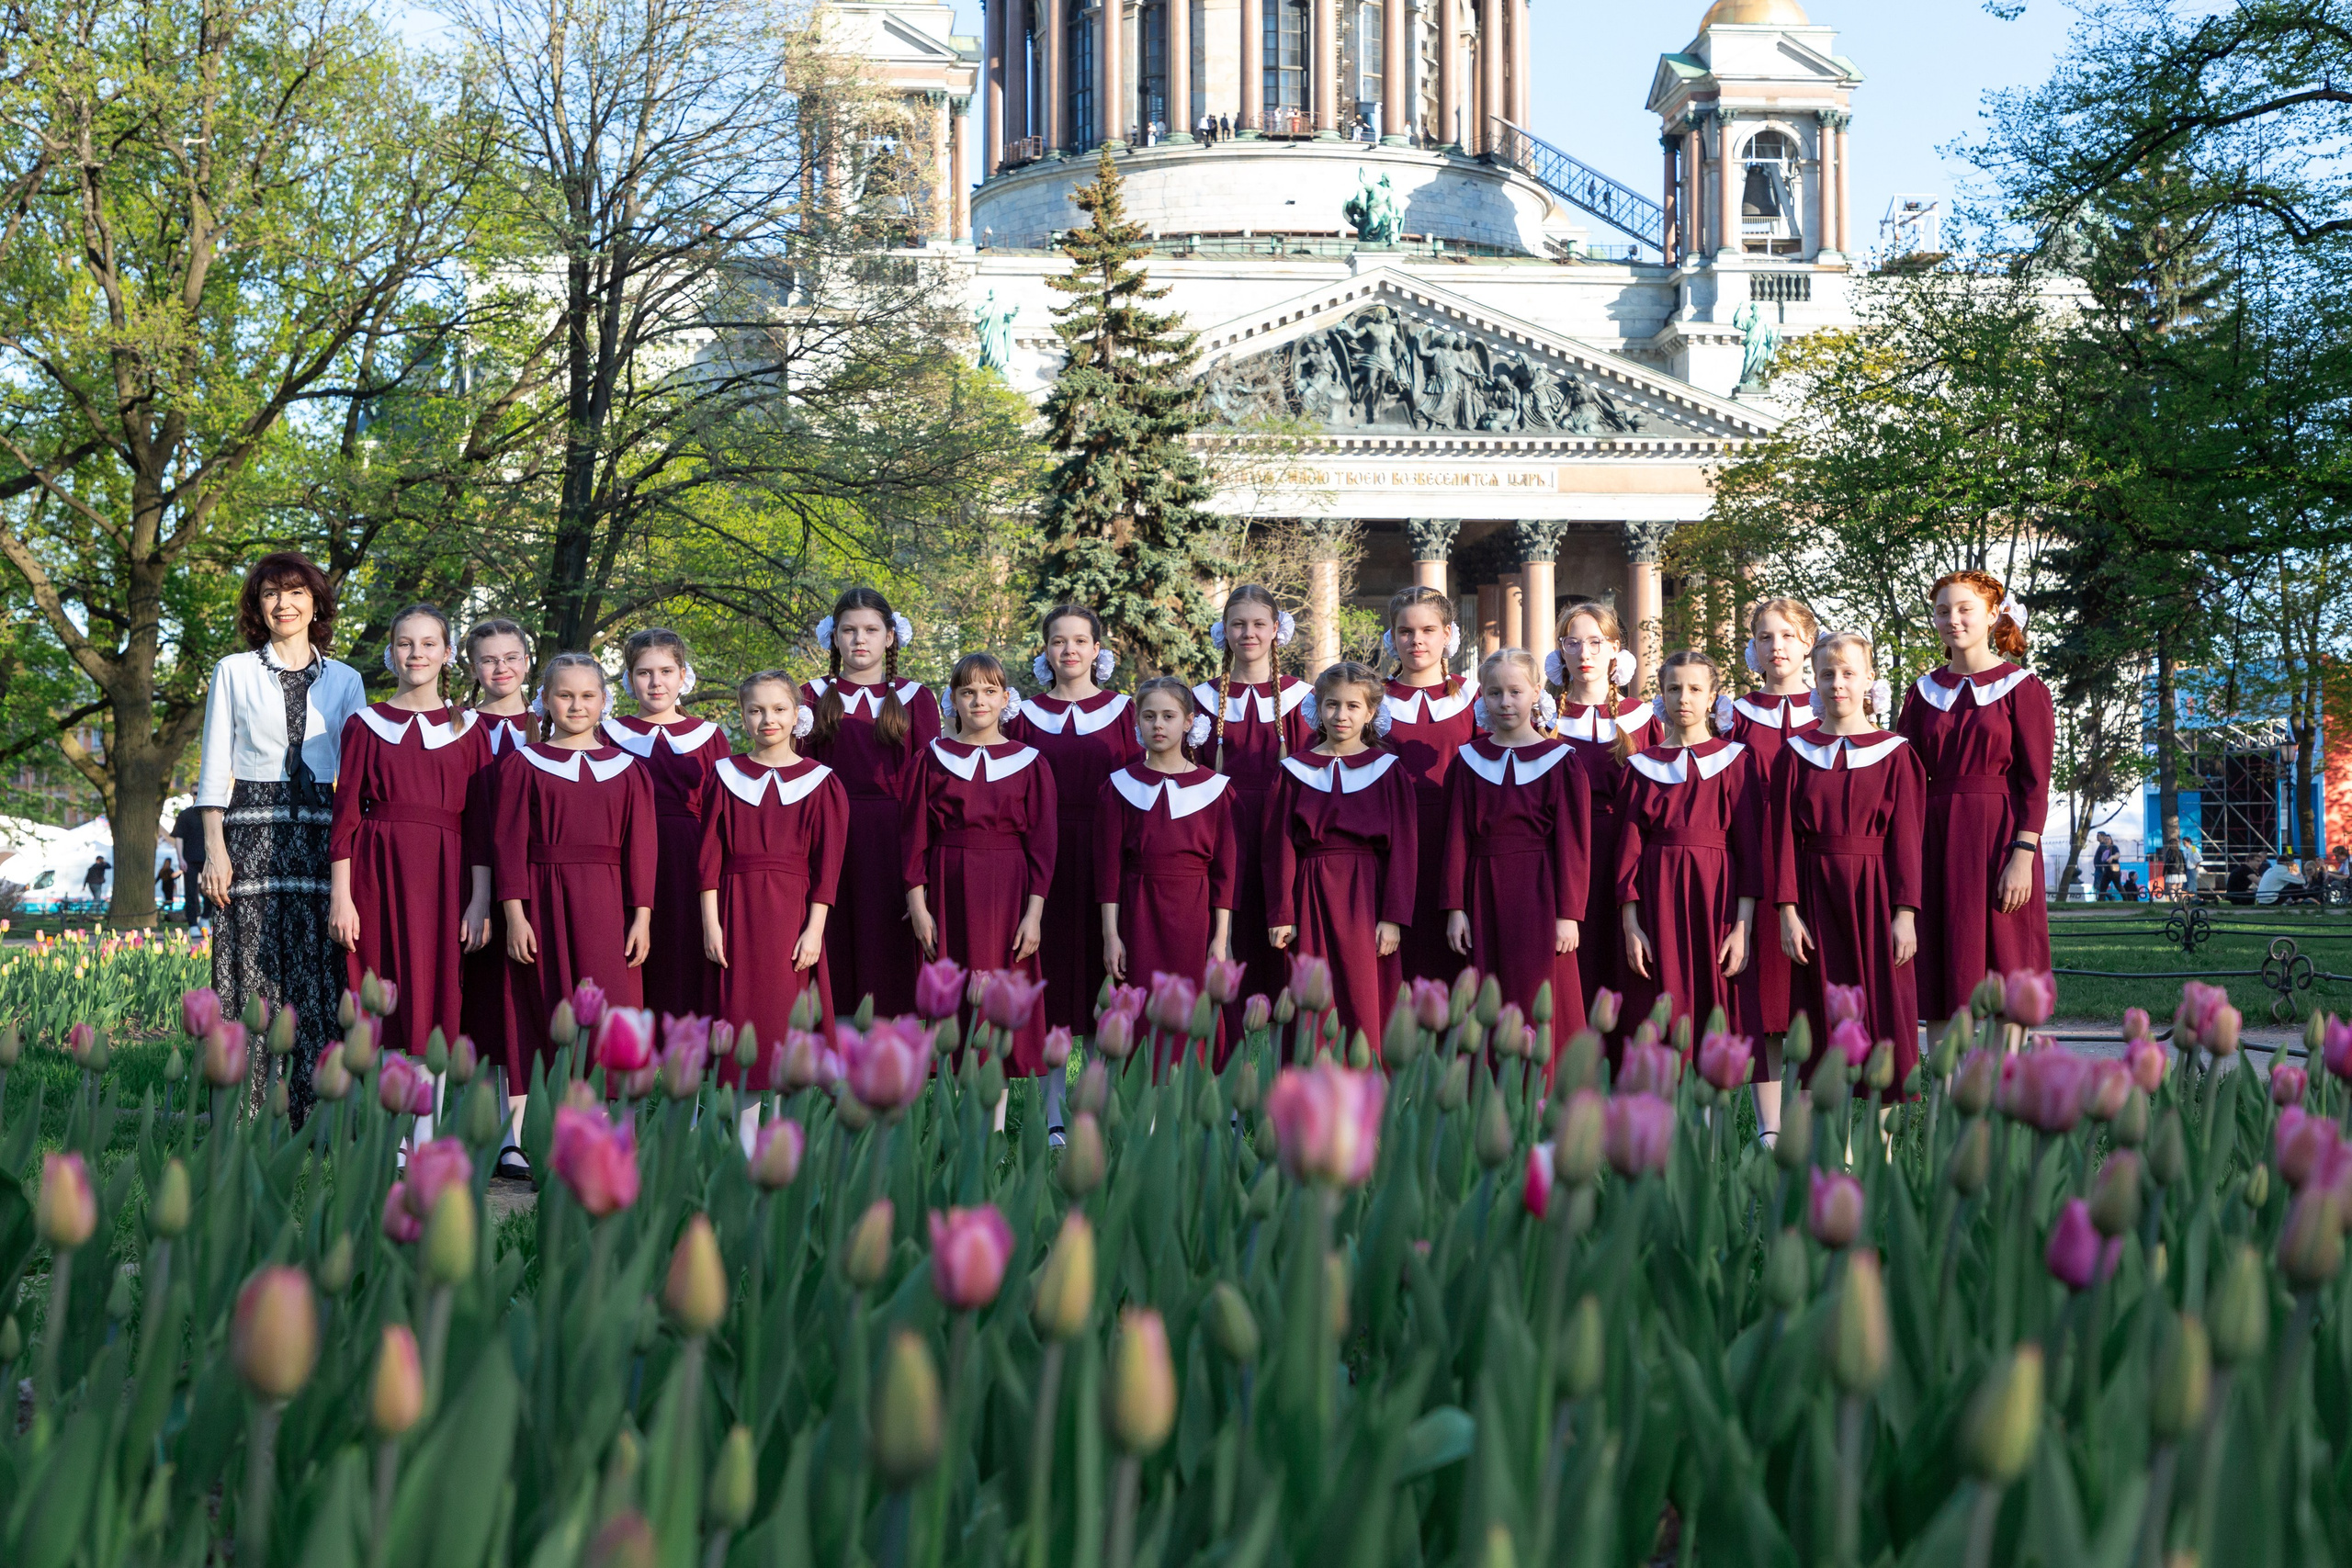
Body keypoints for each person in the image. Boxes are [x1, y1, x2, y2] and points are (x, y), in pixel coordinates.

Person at [196, 550, 368, 1120]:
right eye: (271, 594)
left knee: (318, 968)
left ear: (315, 602)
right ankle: (246, 1111)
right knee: (251, 965)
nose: (283, 604)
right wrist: (214, 850)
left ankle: (318, 1112)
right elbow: (215, 763)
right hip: (250, 830)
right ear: (258, 607)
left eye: (295, 592)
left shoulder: (346, 679)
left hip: (321, 832)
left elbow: (359, 772)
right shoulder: (234, 670)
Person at [327, 603, 493, 1069]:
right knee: (379, 992)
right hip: (375, 875)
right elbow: (345, 820)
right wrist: (342, 898)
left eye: (427, 644)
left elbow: (481, 823)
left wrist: (480, 900)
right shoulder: (364, 725)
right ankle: (387, 1133)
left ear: (447, 654)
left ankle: (423, 1130)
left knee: (438, 995)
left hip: (448, 877)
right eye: (405, 643)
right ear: (391, 653)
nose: (416, 654)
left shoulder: (470, 728)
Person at [1772, 632, 1925, 1109]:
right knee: (1820, 1011)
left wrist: (1906, 913)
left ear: (1869, 680)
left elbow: (1907, 842)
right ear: (1814, 681)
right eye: (1827, 674)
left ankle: (1881, 1143)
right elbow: (1779, 840)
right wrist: (1787, 910)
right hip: (1815, 894)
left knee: (1881, 1009)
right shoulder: (1794, 753)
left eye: (1849, 673)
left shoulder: (1896, 753)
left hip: (1875, 893)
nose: (1838, 683)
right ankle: (1832, 1147)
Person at [1895, 570, 2055, 1023]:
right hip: (1937, 839)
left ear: (1991, 615)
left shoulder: (2022, 688)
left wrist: (2023, 854)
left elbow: (2036, 782)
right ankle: (1949, 1089)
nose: (1954, 619)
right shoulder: (1923, 692)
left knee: (2006, 966)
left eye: (1965, 609)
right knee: (1942, 964)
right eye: (1943, 611)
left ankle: (2009, 1087)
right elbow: (1903, 776)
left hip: (2000, 841)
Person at [494, 653, 657, 1079]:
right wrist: (515, 917)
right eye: (564, 695)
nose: (577, 705)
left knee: (608, 1009)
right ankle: (522, 1136)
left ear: (604, 700)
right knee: (540, 1011)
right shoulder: (523, 765)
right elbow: (508, 846)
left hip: (608, 905)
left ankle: (605, 1124)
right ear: (545, 700)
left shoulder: (630, 771)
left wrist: (642, 919)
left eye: (587, 695)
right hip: (542, 902)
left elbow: (641, 850)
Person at [903, 652, 1058, 1076]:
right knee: (952, 999)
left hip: (1009, 889)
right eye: (968, 692)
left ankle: (992, 1117)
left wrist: (1034, 915)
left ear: (1006, 698)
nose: (979, 701)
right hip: (948, 884)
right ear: (952, 699)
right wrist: (918, 908)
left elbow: (1043, 847)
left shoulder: (1030, 762)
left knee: (998, 997)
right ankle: (949, 1118)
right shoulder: (931, 759)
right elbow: (914, 840)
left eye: (989, 691)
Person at [700, 671, 848, 1100]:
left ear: (798, 714)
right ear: (743, 716)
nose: (769, 719)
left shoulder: (821, 781)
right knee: (741, 1019)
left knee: (788, 1022)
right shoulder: (724, 774)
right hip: (735, 912)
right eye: (756, 710)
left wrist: (815, 930)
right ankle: (745, 1148)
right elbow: (708, 859)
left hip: (794, 915)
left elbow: (828, 867)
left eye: (779, 709)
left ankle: (784, 1146)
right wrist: (712, 925)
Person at [1266, 660, 1418, 1054]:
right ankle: (1310, 1098)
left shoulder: (1388, 770)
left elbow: (1404, 849)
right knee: (1313, 994)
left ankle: (1368, 1098)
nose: (1341, 715)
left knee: (1364, 993)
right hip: (1310, 891)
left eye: (1353, 706)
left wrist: (1393, 918)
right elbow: (1278, 846)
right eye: (1332, 705)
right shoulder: (1294, 770)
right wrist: (1282, 912)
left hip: (1367, 892)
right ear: (1317, 708)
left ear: (1370, 713)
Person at [802, 588, 940, 1020]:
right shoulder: (810, 695)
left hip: (896, 839)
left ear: (890, 637)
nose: (859, 639)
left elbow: (928, 785)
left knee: (890, 945)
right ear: (834, 637)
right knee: (837, 943)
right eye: (849, 630)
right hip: (832, 838)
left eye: (870, 630)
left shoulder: (917, 698)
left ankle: (889, 1063)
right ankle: (838, 1062)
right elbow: (798, 776)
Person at [1615, 649, 1761, 1048]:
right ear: (1661, 694)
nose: (1684, 698)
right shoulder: (1641, 766)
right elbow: (1627, 853)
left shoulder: (1736, 761)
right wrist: (1631, 926)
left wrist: (1742, 929)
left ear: (1713, 696)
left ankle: (1712, 1109)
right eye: (1674, 688)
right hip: (1657, 896)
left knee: (1715, 1011)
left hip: (1717, 898)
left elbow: (1750, 853)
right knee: (1662, 1008)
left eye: (1696, 689)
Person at [1442, 649, 1589, 1043]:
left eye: (1515, 691)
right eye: (1494, 693)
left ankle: (1544, 1099)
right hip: (1483, 889)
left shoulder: (1561, 761)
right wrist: (1455, 909)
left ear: (1536, 692)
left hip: (1540, 893)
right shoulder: (1467, 761)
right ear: (1483, 697)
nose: (1505, 702)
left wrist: (1569, 914)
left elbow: (1574, 846)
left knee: (1539, 996)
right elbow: (1456, 839)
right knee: (1488, 996)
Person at [1008, 604, 1138, 1042]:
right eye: (1058, 641)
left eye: (1080, 641)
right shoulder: (1022, 716)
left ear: (1097, 650)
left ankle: (1102, 1096)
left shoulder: (1126, 712)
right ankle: (1053, 1107)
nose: (1069, 650)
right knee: (1054, 972)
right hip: (1045, 858)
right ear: (1045, 651)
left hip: (1111, 855)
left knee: (1110, 973)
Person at [1096, 676, 1238, 1066]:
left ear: (1190, 722)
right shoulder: (1119, 786)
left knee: (1194, 1006)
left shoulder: (1215, 789)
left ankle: (1193, 1105)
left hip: (1194, 913)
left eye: (1169, 716)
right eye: (1149, 716)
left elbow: (1225, 873)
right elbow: (1108, 869)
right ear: (1137, 724)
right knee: (1141, 1007)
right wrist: (1112, 936)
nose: (1158, 724)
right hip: (1139, 909)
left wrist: (1220, 939)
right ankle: (1142, 1112)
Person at [1193, 585, 1314, 1032]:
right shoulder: (1200, 702)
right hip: (1222, 842)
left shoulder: (1305, 700)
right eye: (1238, 624)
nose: (1249, 633)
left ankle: (1283, 1079)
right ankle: (1226, 1082)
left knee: (1284, 959)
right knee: (1226, 954)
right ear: (1223, 631)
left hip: (1285, 844)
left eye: (1259, 624)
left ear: (1276, 630)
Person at [601, 628, 729, 1024]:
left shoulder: (710, 736)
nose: (656, 682)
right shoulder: (607, 734)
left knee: (683, 960)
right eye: (644, 672)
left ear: (683, 676)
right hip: (623, 858)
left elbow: (722, 816)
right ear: (628, 678)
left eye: (666, 671)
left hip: (686, 859)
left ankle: (684, 1071)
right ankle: (626, 1066)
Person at [1551, 601, 1653, 1023]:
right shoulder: (1543, 717)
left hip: (1625, 854)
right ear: (1560, 650)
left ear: (1615, 649)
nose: (1585, 654)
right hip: (1560, 856)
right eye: (1573, 643)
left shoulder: (1643, 717)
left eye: (1596, 642)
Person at [1726, 596, 1818, 1057]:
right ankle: (1769, 1129)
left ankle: (1820, 1116)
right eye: (1765, 637)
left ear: (1809, 643)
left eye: (1787, 636)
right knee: (1764, 998)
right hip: (1756, 856)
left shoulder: (1833, 708)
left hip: (1815, 856)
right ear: (1753, 648)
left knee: (1816, 990)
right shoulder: (1734, 715)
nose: (1776, 646)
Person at [1378, 585, 1479, 987]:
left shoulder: (1475, 695)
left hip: (1457, 842)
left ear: (1447, 634)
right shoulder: (1372, 699)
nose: (1416, 640)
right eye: (1405, 631)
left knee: (1455, 960)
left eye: (1427, 630)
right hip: (1391, 845)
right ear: (1393, 636)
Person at [458, 617, 537, 1090]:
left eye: (511, 657)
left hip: (535, 874)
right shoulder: (455, 724)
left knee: (523, 994)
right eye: (489, 659)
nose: (501, 667)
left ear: (527, 662)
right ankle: (477, 1119)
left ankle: (523, 1127)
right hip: (470, 869)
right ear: (473, 666)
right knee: (482, 996)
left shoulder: (554, 720)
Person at [169, 802, 209, 925]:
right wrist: (180, 858)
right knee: (190, 892)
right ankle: (192, 923)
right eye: (194, 793)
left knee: (210, 889)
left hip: (207, 859)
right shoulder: (185, 815)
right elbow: (178, 837)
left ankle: (206, 918)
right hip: (189, 859)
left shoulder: (211, 813)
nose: (197, 796)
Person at [2092, 831, 2121, 899]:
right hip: (2099, 868)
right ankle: (2104, 899)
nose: (2097, 837)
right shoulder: (2102, 845)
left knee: (2098, 885)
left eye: (2098, 835)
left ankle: (2109, 897)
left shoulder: (2103, 846)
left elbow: (2105, 856)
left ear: (2103, 837)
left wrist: (2103, 866)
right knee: (2101, 886)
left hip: (2101, 869)